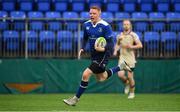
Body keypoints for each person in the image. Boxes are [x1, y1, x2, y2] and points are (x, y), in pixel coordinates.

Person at [63, 6, 131, 106]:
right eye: (90, 13)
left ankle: (75, 99)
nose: (92, 15)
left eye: (94, 13)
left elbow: (111, 45)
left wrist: (102, 49)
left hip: (103, 55)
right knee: (101, 78)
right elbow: (85, 38)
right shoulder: (86, 24)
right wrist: (82, 47)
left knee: (86, 74)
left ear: (99, 14)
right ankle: (120, 67)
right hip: (94, 55)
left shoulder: (105, 26)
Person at [113, 19, 143, 99]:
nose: (126, 25)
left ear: (130, 26)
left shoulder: (134, 35)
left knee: (130, 77)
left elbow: (140, 45)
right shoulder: (119, 36)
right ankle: (126, 83)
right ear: (122, 26)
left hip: (130, 59)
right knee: (120, 75)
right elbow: (117, 45)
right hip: (122, 58)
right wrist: (115, 51)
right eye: (124, 24)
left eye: (127, 24)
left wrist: (131, 46)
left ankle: (132, 92)